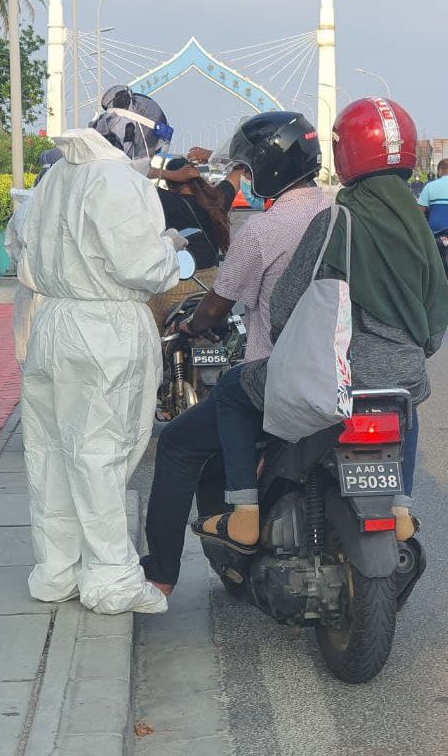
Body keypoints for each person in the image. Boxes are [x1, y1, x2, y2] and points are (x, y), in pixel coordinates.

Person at [140, 100, 448, 591]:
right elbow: (438, 313)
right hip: (403, 379)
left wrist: (294, 349)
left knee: (196, 427)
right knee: (403, 402)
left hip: (311, 379)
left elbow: (285, 309)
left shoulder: (321, 222)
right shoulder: (415, 226)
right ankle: (400, 507)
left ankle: (205, 541)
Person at [141, 112, 329, 590]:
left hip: (273, 378)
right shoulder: (340, 217)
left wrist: (190, 329)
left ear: (266, 168)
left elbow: (212, 310)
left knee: (181, 444)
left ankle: (161, 574)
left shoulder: (264, 231)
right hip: (343, 375)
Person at [18, 127, 184, 615]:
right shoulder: (117, 182)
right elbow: (143, 266)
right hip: (105, 326)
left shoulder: (55, 177)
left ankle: (56, 569)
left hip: (52, 321)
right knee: (102, 453)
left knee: (50, 452)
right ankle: (110, 576)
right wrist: (171, 250)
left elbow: (21, 244)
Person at [147, 157, 244, 327]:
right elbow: (239, 168)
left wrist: (166, 174)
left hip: (177, 287)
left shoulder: (164, 200)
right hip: (213, 287)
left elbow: (128, 171)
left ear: (171, 183)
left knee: (147, 324)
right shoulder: (218, 199)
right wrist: (209, 158)